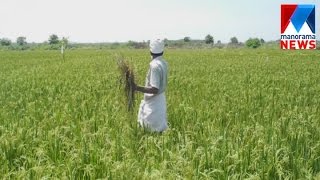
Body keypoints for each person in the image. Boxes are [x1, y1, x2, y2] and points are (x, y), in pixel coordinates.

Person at [134, 39, 168, 132]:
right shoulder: (164, 63)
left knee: (150, 130)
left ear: (150, 51)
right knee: (160, 128)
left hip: (154, 103)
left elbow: (154, 89)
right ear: (162, 51)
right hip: (160, 100)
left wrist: (136, 87)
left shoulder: (154, 66)